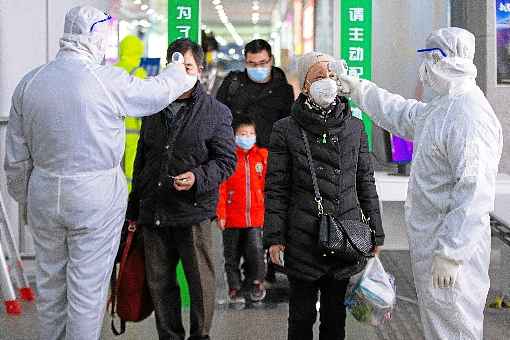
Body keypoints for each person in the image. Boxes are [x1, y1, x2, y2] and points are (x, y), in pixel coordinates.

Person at [3, 6, 196, 340]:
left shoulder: (30, 82)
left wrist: (27, 200)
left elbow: (16, 158)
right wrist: (179, 69)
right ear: (95, 36)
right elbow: (156, 93)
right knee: (86, 290)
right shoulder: (105, 80)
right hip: (95, 197)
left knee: (51, 288)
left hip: (44, 194)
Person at [338, 27, 503, 339]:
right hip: (435, 243)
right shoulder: (444, 107)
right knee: (439, 324)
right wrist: (359, 88)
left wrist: (452, 254)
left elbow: (474, 194)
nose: (424, 69)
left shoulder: (469, 116)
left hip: (452, 252)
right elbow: (403, 114)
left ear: (441, 61)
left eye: (428, 60)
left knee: (455, 327)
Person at [263, 52, 384, 340]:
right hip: (301, 236)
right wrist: (274, 238)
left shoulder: (354, 127)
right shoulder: (285, 129)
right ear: (304, 85)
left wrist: (376, 232)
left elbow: (365, 180)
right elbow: (276, 188)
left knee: (335, 319)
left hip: (345, 235)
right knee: (301, 317)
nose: (327, 82)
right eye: (318, 77)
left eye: (331, 76)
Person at [125, 38, 236, 340]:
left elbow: (227, 161)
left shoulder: (216, 112)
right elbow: (142, 160)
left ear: (199, 70)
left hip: (192, 213)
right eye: (176, 66)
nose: (182, 72)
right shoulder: (153, 106)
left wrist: (198, 177)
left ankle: (201, 335)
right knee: (159, 283)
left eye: (188, 66)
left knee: (200, 281)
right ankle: (169, 336)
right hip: (154, 212)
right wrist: (134, 209)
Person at [216, 116, 268, 306]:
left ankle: (255, 282)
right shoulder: (228, 159)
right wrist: (221, 214)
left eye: (251, 134)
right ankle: (235, 287)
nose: (247, 137)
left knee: (256, 251)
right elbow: (221, 189)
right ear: (234, 136)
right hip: (232, 218)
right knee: (231, 255)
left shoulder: (262, 157)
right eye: (243, 134)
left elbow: (268, 187)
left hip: (255, 217)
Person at [216, 39, 294, 148]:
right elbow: (217, 118)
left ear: (271, 60)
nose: (257, 68)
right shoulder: (233, 84)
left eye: (262, 63)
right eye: (252, 63)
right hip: (236, 155)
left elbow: (288, 128)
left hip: (269, 156)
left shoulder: (283, 90)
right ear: (245, 62)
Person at [114, 35, 148, 192]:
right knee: (131, 165)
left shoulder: (111, 71)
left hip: (111, 128)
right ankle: (128, 198)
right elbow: (145, 104)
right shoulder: (138, 72)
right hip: (133, 130)